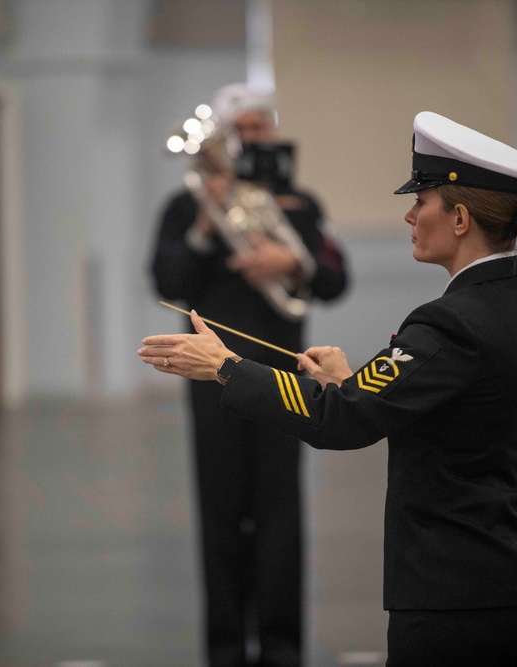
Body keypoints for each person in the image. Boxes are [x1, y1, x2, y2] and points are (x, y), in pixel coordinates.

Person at [141, 111, 517, 666]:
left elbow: (339, 420)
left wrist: (226, 366)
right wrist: (349, 382)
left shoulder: (449, 323)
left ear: (461, 217)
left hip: (459, 595)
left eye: (422, 203)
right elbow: (454, 408)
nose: (409, 215)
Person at [149, 83, 349, 666]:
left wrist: (296, 261)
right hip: (210, 383)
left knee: (281, 511)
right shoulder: (186, 206)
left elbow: (336, 279)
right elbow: (166, 281)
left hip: (288, 379)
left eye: (263, 128)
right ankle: (225, 648)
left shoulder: (300, 204)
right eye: (245, 131)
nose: (255, 139)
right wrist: (208, 228)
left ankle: (284, 647)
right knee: (218, 513)